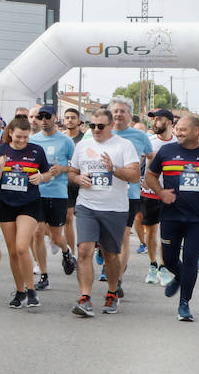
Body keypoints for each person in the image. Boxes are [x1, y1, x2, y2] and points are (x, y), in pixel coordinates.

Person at [145, 114, 199, 321]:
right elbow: (150, 175)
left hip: (198, 218)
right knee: (171, 259)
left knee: (191, 260)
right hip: (171, 216)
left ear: (195, 132)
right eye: (177, 129)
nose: (178, 132)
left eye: (183, 129)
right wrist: (161, 193)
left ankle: (184, 304)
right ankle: (180, 276)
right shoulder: (167, 151)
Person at [67, 109, 140, 316]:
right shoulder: (82, 146)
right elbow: (72, 172)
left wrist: (113, 169)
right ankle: (85, 297)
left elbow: (134, 176)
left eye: (100, 126)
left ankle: (112, 292)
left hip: (114, 208)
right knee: (84, 250)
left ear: (110, 126)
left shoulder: (124, 146)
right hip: (87, 205)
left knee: (111, 254)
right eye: (92, 126)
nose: (96, 130)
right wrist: (77, 179)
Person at [0, 115, 52, 309]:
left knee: (22, 246)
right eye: (18, 137)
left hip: (29, 203)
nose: (22, 141)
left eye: (25, 137)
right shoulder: (0, 150)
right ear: (10, 134)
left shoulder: (36, 151)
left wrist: (41, 177)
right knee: (13, 251)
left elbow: (47, 173)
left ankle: (31, 290)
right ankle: (20, 291)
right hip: (6, 203)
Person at [29, 104, 76, 290]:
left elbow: (75, 166)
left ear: (55, 117)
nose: (43, 120)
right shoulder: (33, 140)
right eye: (40, 117)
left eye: (47, 116)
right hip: (37, 193)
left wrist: (61, 169)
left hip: (58, 193)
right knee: (38, 232)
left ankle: (66, 252)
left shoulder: (66, 142)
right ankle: (43, 274)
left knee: (56, 237)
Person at [110, 99, 156, 283]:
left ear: (130, 115)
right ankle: (108, 260)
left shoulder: (139, 136)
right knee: (107, 240)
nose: (119, 114)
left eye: (123, 111)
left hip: (130, 194)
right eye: (115, 111)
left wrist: (146, 177)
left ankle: (117, 279)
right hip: (103, 194)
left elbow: (151, 156)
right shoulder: (100, 133)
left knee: (122, 237)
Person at [138, 107, 178, 274]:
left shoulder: (178, 143)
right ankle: (153, 263)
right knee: (152, 231)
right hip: (150, 194)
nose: (154, 122)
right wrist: (142, 180)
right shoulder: (150, 141)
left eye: (158, 119)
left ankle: (164, 265)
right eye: (153, 119)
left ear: (169, 122)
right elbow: (138, 162)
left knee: (168, 231)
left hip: (171, 193)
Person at [61, 108, 87, 258]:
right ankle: (72, 254)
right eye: (67, 117)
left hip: (84, 183)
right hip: (67, 183)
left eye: (73, 117)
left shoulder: (85, 140)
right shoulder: (61, 139)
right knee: (68, 218)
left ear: (79, 121)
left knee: (83, 219)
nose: (70, 120)